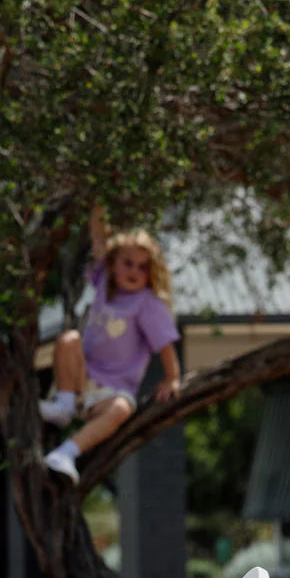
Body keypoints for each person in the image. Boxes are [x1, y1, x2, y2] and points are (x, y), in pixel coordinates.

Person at [41, 204, 181, 484]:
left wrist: (173, 377)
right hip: (83, 380)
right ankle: (65, 406)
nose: (134, 271)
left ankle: (66, 453)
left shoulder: (147, 304)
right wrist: (99, 202)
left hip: (112, 390)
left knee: (121, 410)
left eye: (142, 267)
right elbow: (99, 239)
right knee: (69, 339)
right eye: (127, 262)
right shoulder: (104, 282)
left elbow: (165, 344)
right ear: (113, 263)